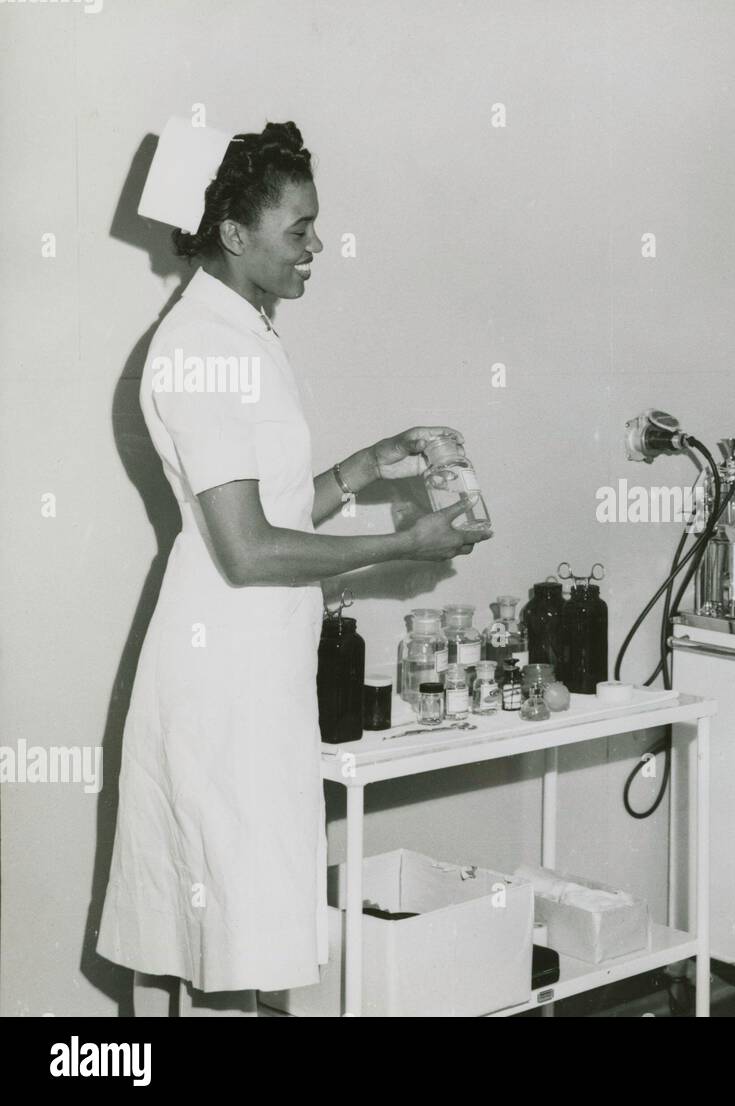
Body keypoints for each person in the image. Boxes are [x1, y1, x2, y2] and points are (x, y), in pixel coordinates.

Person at [97, 117, 491, 1016]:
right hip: (220, 671)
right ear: (234, 236)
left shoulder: (244, 333)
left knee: (247, 927)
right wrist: (405, 542)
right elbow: (246, 548)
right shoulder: (198, 347)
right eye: (299, 230)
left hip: (258, 668)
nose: (318, 246)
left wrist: (367, 463)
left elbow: (271, 509)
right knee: (221, 930)